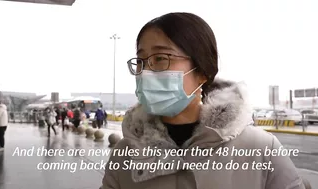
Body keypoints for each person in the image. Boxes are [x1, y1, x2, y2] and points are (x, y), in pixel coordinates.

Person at [101, 13, 305, 189]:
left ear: (202, 71)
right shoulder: (126, 153)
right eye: (141, 61)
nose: (145, 72)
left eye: (160, 58)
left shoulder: (261, 148)